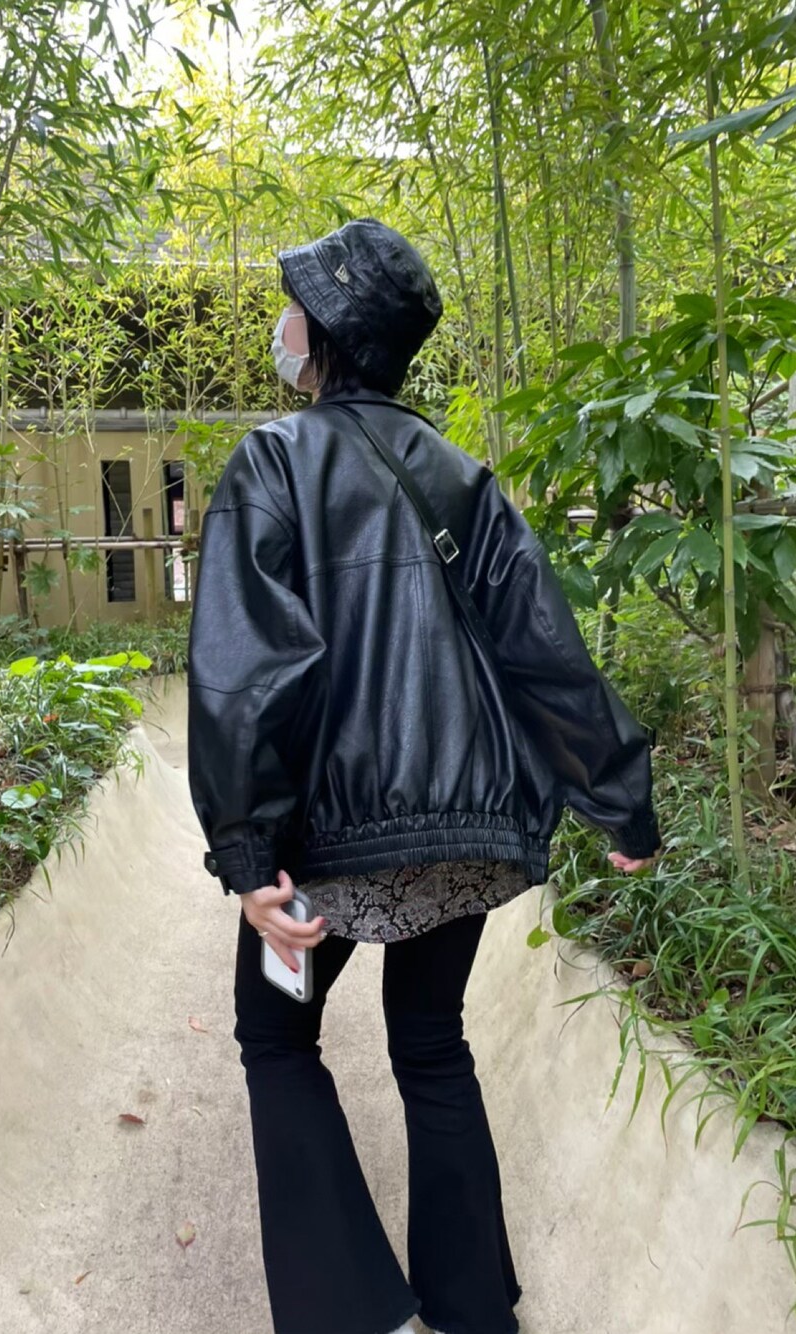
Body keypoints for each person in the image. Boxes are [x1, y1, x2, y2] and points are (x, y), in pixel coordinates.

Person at [187, 218, 660, 1334]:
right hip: (467, 835)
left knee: (275, 1038)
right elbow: (545, 649)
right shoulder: (464, 477)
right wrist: (620, 801)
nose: (283, 324)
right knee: (431, 1043)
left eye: (295, 307)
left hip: (329, 840)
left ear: (328, 335)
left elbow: (246, 674)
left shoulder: (274, 459)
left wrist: (249, 855)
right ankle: (470, 1307)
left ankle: (357, 1310)